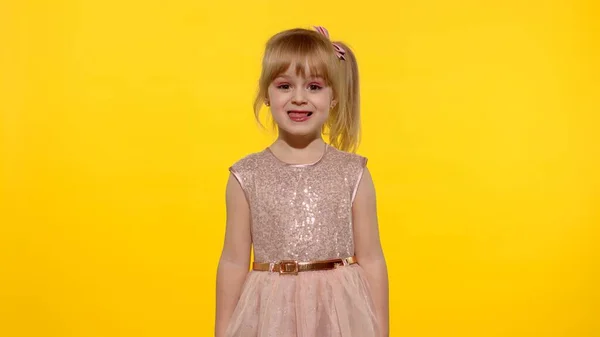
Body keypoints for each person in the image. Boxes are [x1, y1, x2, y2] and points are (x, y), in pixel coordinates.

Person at [215, 26, 389, 337]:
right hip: (270, 316)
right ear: (265, 94)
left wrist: (381, 330)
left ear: (334, 96)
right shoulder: (246, 176)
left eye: (313, 86)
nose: (298, 98)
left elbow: (372, 259)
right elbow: (232, 262)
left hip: (340, 317)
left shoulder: (353, 173)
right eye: (284, 86)